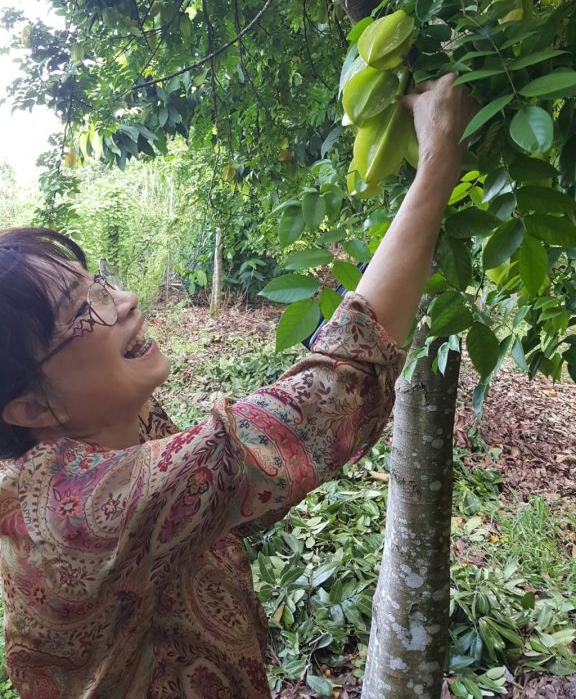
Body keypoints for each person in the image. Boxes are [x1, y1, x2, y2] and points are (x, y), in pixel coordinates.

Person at [0, 74, 474, 699]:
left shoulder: (114, 428)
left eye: (101, 281)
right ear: (29, 405)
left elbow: (227, 489)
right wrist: (438, 160)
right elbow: (317, 405)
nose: (126, 299)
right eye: (83, 308)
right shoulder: (79, 514)